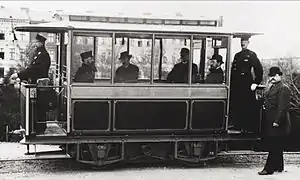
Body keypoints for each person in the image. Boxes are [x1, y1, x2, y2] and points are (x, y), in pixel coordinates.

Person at [10, 34, 51, 134]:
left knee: (40, 107)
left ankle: (40, 128)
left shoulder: (43, 55)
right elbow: (31, 68)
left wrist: (19, 74)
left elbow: (34, 70)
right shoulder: (39, 53)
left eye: (36, 42)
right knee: (37, 106)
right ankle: (36, 127)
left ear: (41, 43)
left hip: (40, 85)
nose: (35, 43)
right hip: (37, 84)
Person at [258, 66, 291, 175]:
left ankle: (269, 169)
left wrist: (277, 121)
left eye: (275, 76)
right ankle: (279, 166)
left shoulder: (283, 88)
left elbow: (283, 107)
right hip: (271, 119)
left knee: (274, 144)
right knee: (277, 144)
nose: (272, 78)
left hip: (278, 121)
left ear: (280, 76)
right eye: (271, 76)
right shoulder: (272, 87)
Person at [229, 35, 263, 133]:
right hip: (236, 85)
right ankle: (237, 125)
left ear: (248, 42)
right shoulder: (237, 55)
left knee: (246, 105)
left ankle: (246, 127)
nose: (243, 43)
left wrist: (256, 83)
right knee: (237, 105)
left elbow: (259, 70)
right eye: (242, 41)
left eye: (245, 41)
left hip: (246, 85)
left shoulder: (251, 55)